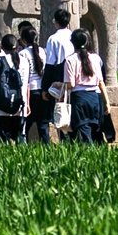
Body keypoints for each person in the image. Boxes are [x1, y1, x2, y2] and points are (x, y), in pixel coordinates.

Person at [62, 29, 110, 143]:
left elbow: (71, 84)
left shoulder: (70, 60)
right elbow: (101, 82)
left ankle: (88, 153)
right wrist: (107, 102)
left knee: (84, 135)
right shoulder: (95, 58)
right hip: (94, 99)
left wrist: (60, 86)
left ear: (72, 42)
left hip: (79, 99)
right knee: (95, 132)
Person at [0, 34, 30, 142]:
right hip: (20, 104)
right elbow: (26, 84)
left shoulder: (1, 61)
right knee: (18, 137)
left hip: (3, 105)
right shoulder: (24, 61)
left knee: (3, 138)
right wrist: (28, 104)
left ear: (2, 47)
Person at [42, 9, 75, 140]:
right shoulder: (74, 36)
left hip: (60, 78)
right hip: (75, 79)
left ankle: (64, 141)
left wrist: (45, 87)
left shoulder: (53, 39)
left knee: (61, 111)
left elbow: (50, 64)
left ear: (55, 22)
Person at [20, 27, 51, 144]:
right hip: (43, 90)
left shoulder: (22, 53)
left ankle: (24, 147)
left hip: (30, 91)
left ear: (23, 40)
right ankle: (46, 147)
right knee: (43, 124)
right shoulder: (43, 51)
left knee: (26, 123)